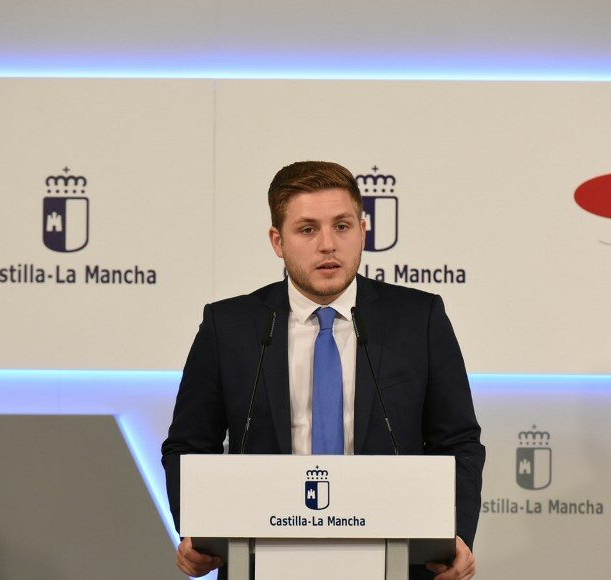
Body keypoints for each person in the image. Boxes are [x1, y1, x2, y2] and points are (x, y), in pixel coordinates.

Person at [161, 161, 485, 579]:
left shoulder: (418, 318)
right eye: (308, 229)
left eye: (342, 226)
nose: (328, 244)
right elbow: (188, 445)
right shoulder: (230, 326)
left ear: (363, 232)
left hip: (396, 560)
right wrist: (197, 532)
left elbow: (457, 441)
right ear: (278, 241)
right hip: (262, 560)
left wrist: (454, 535)